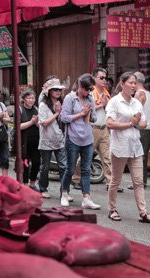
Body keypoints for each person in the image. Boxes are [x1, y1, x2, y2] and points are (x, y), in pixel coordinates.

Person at [105, 71, 150, 224]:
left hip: (135, 146)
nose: (134, 86)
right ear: (122, 84)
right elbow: (109, 123)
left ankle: (143, 213)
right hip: (120, 146)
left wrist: (137, 123)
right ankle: (112, 209)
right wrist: (130, 123)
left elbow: (144, 123)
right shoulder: (114, 102)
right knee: (116, 180)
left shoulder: (136, 103)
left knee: (138, 182)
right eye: (131, 83)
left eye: (135, 83)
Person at [60, 73, 100, 210]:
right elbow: (63, 118)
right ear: (80, 86)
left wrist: (91, 114)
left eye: (91, 90)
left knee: (86, 169)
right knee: (70, 168)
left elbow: (94, 117)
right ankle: (64, 193)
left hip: (87, 138)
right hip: (73, 138)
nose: (89, 92)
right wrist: (81, 114)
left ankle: (86, 198)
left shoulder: (90, 99)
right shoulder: (70, 98)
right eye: (87, 89)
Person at [89, 67, 119, 193]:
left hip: (104, 128)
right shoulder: (90, 92)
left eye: (105, 78)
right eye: (101, 78)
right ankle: (76, 178)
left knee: (107, 157)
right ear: (94, 78)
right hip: (93, 128)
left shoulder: (106, 93)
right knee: (86, 156)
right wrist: (102, 104)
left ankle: (110, 182)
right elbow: (88, 109)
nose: (104, 80)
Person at [38, 78, 67, 199]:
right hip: (46, 139)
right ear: (49, 91)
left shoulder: (62, 102)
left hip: (59, 138)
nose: (58, 91)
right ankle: (43, 188)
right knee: (45, 166)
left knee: (63, 166)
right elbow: (43, 123)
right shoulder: (43, 105)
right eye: (55, 89)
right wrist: (56, 113)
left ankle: (64, 191)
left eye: (59, 89)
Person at [132, 71, 150, 189]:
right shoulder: (147, 92)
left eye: (132, 81)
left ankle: (140, 182)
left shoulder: (139, 94)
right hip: (149, 127)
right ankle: (140, 181)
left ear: (136, 82)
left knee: (140, 156)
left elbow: (136, 112)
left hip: (143, 128)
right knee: (141, 155)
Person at [19, 89, 40, 190]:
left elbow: (42, 125)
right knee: (25, 164)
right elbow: (18, 126)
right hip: (24, 142)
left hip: (36, 140)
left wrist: (36, 123)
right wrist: (31, 122)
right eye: (28, 98)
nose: (31, 100)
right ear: (24, 99)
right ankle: (24, 184)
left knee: (36, 162)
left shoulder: (36, 109)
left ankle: (32, 182)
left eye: (33, 98)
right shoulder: (20, 109)